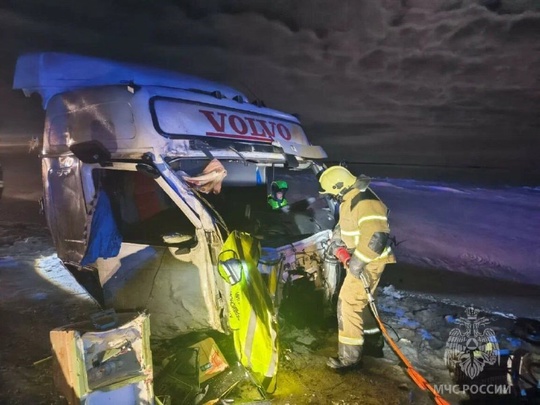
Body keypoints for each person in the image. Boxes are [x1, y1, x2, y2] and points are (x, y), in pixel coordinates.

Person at [318, 166, 396, 370]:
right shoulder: (351, 198)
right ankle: (372, 343)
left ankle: (349, 359)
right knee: (363, 302)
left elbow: (376, 237)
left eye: (332, 193)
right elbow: (346, 224)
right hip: (362, 260)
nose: (332, 197)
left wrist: (357, 263)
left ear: (338, 187)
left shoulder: (364, 201)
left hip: (368, 261)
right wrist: (337, 239)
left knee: (349, 303)